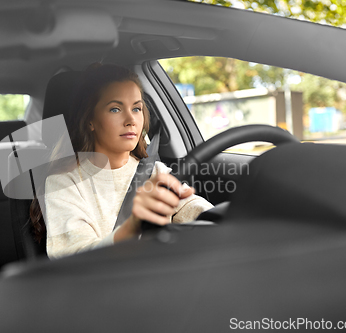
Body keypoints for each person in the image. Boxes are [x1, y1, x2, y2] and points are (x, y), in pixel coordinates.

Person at [31, 63, 213, 259]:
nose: (131, 120)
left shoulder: (155, 172)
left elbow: (199, 211)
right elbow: (75, 257)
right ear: (90, 120)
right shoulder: (64, 182)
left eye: (136, 109)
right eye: (115, 109)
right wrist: (133, 226)